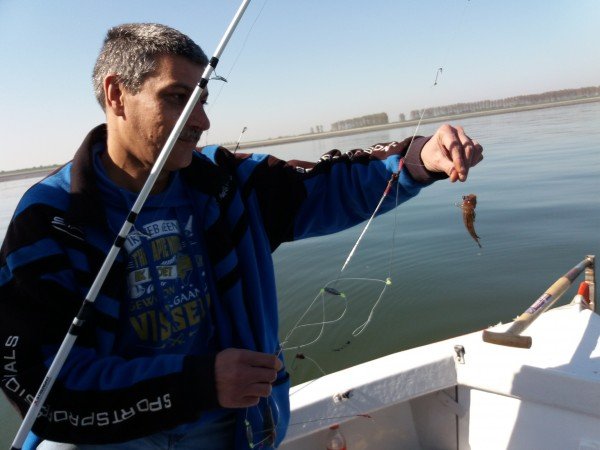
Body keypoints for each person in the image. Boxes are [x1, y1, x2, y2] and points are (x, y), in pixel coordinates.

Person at [0, 23, 483, 450]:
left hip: (228, 427)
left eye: (203, 99)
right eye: (176, 97)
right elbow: (37, 384)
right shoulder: (50, 217)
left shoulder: (226, 184)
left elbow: (328, 183)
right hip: (110, 435)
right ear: (115, 94)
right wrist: (199, 383)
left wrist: (420, 159)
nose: (202, 121)